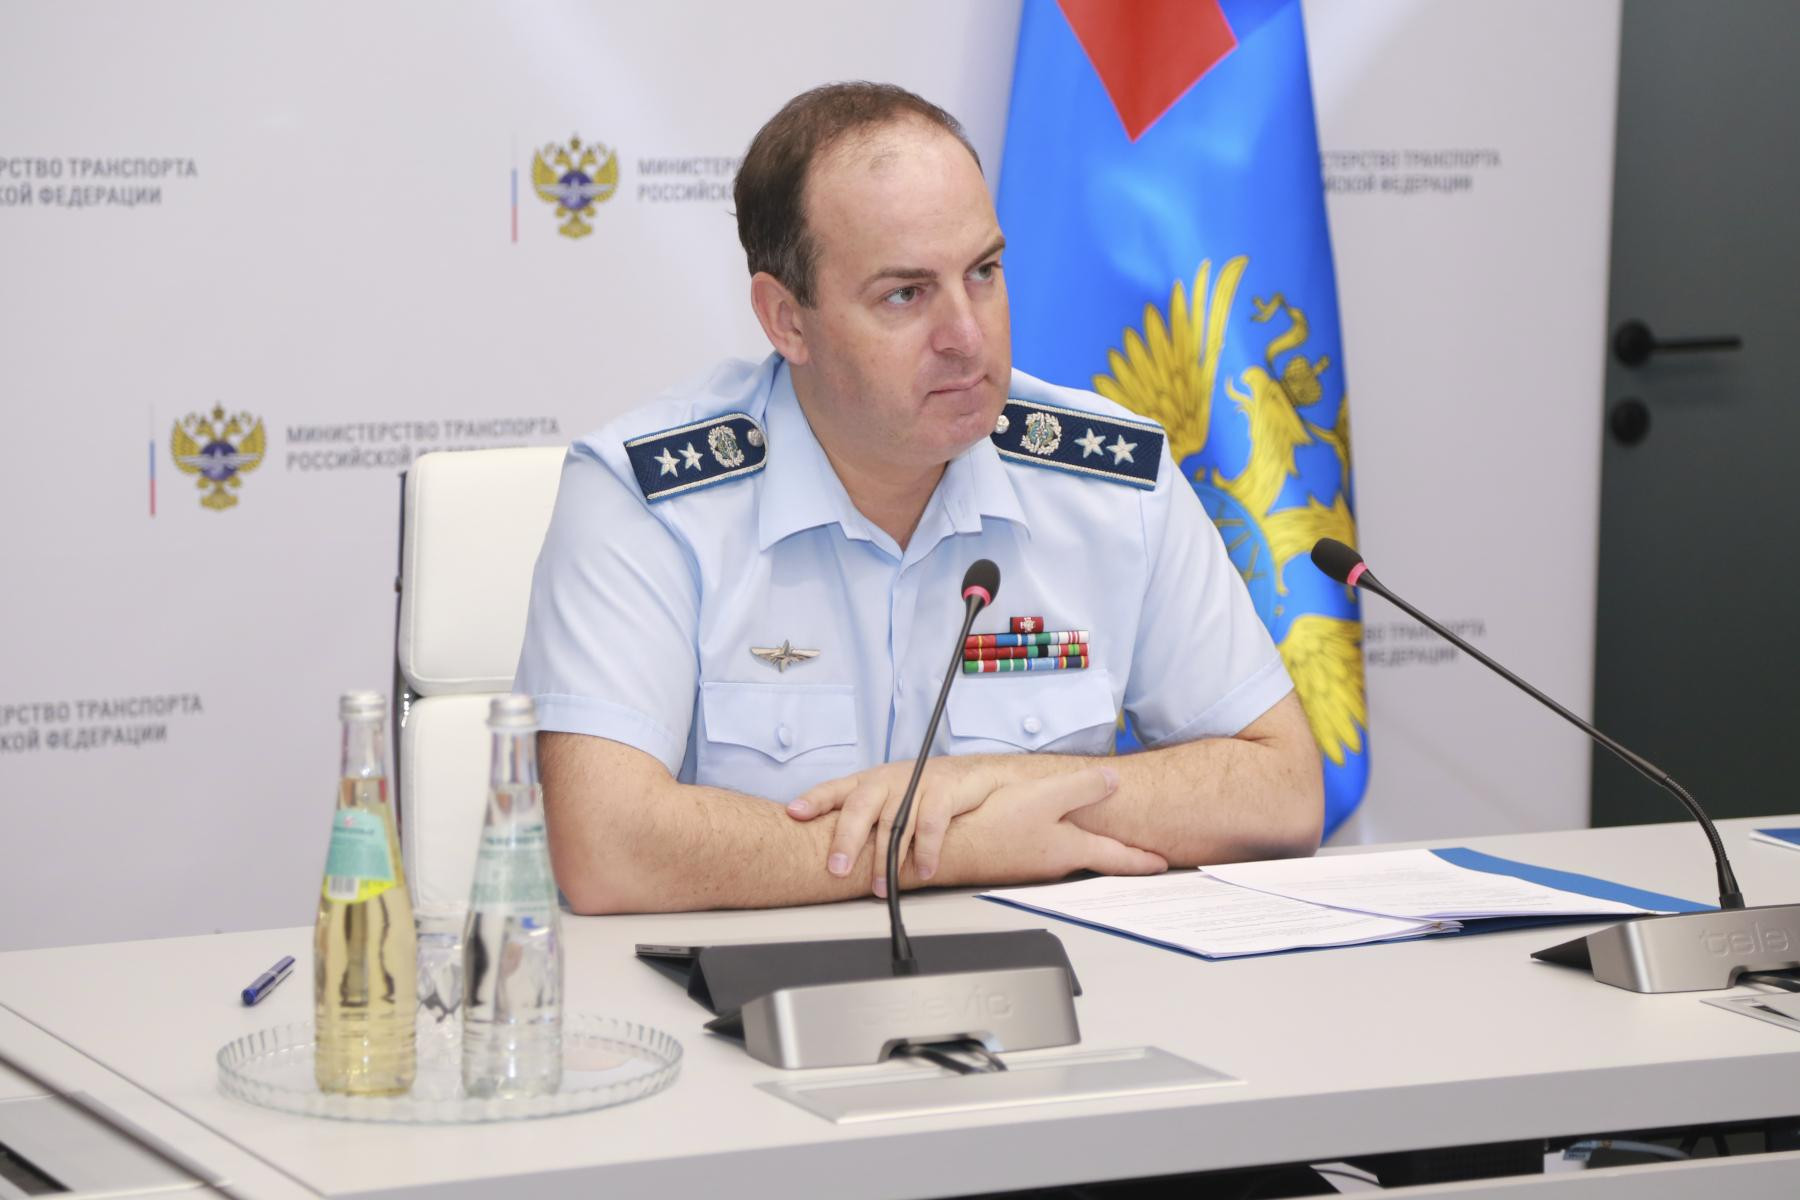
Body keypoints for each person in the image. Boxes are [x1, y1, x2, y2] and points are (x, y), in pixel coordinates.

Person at [514, 83, 1322, 915]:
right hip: (751, 989)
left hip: (1053, 982)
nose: (967, 336)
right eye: (905, 294)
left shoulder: (1110, 482)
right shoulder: (649, 499)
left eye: (984, 273)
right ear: (786, 320)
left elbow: (1283, 790)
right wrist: (951, 845)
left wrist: (1005, 786)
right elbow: (603, 847)